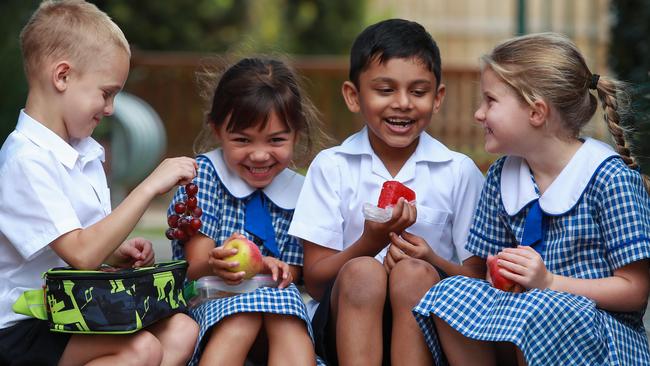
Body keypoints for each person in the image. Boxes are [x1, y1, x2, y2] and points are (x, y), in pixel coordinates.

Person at [412, 32, 650, 365]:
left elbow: (635, 291)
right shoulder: (501, 176)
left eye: (490, 101)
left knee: (538, 308)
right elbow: (484, 276)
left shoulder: (609, 178)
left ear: (536, 112)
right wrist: (436, 260)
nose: (479, 114)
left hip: (604, 339)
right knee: (449, 295)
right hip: (524, 320)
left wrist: (549, 283)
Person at [0, 2, 200, 365]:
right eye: (106, 93)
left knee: (183, 329)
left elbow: (85, 248)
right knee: (143, 349)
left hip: (73, 311)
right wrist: (149, 186)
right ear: (62, 76)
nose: (110, 108)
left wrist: (114, 253)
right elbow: (81, 252)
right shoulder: (25, 160)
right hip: (23, 325)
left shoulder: (82, 154)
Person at [288, 18, 486, 366]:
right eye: (385, 90)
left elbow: (478, 279)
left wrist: (432, 260)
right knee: (364, 271)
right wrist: (370, 242)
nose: (403, 103)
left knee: (413, 273)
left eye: (419, 91)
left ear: (437, 98)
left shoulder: (458, 171)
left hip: (428, 324)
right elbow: (316, 282)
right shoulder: (332, 166)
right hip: (342, 326)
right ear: (354, 96)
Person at [168, 57, 326, 366]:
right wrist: (219, 261)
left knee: (288, 318)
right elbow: (196, 264)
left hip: (279, 304)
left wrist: (274, 268)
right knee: (244, 316)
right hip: (214, 299)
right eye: (242, 140)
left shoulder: (302, 191)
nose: (258, 154)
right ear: (217, 130)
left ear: (297, 133)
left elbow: (295, 272)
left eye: (276, 140)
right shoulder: (204, 177)